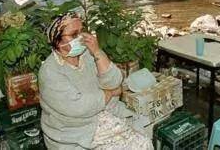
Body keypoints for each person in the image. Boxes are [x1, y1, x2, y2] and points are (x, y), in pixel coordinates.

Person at [39, 13, 153, 150]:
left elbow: (115, 81)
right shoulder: (50, 71)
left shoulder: (87, 54)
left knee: (143, 142)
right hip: (73, 130)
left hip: (102, 115)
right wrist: (110, 93)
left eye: (82, 32)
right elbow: (79, 107)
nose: (80, 38)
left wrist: (97, 52)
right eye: (74, 34)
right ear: (57, 41)